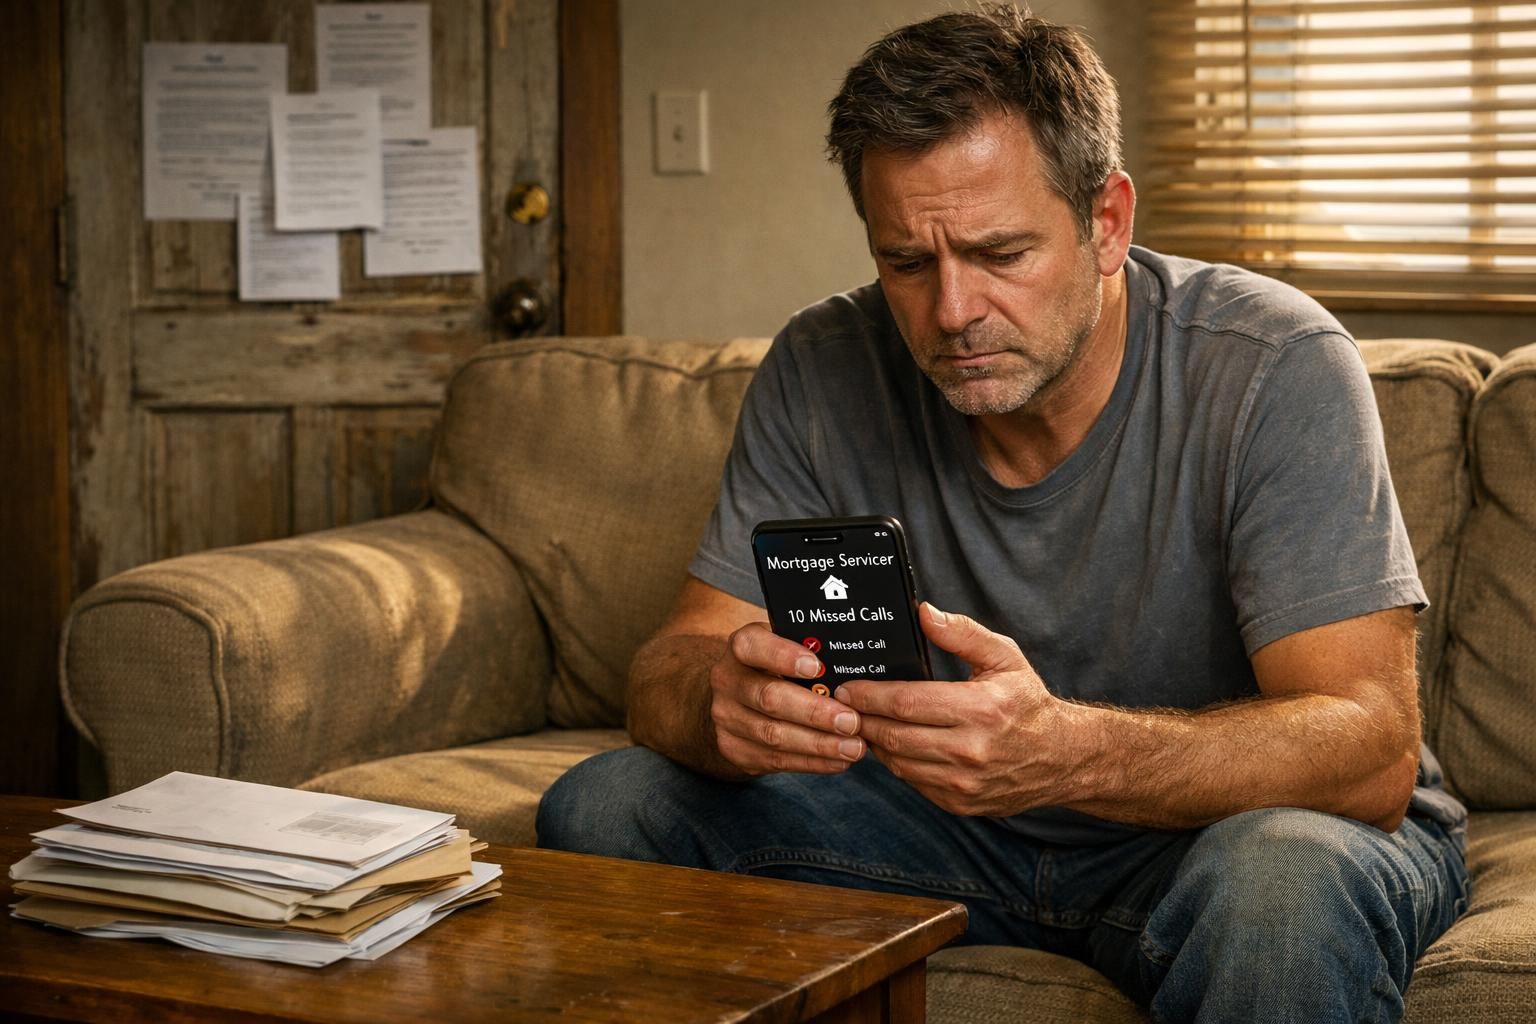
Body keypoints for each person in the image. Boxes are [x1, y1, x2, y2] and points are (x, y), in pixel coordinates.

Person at [537, 6, 1469, 1021]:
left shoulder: (1272, 365)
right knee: (607, 804)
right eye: (906, 262)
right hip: (941, 835)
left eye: (1000, 253)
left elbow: (1370, 749)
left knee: (1282, 884)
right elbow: (668, 670)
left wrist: (1069, 751)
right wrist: (723, 705)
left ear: (1106, 222)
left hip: (1220, 839)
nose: (951, 312)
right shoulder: (822, 364)